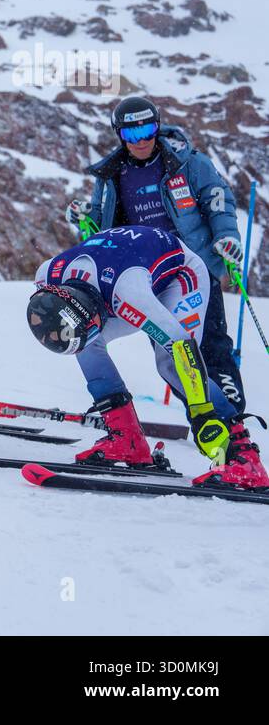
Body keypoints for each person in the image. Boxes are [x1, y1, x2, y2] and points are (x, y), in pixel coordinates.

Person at [27, 225, 267, 488]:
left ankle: (242, 456)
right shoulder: (47, 277)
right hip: (116, 276)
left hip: (179, 276)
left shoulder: (129, 295)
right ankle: (128, 440)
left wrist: (201, 413)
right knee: (87, 344)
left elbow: (181, 346)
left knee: (170, 364)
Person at [67, 95, 247, 416]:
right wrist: (84, 215)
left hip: (195, 268)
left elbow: (218, 199)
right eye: (131, 134)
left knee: (209, 344)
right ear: (119, 135)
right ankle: (202, 413)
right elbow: (103, 221)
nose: (141, 141)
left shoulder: (189, 162)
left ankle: (232, 417)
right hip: (150, 277)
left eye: (147, 131)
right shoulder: (110, 175)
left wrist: (227, 237)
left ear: (158, 126)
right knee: (170, 351)